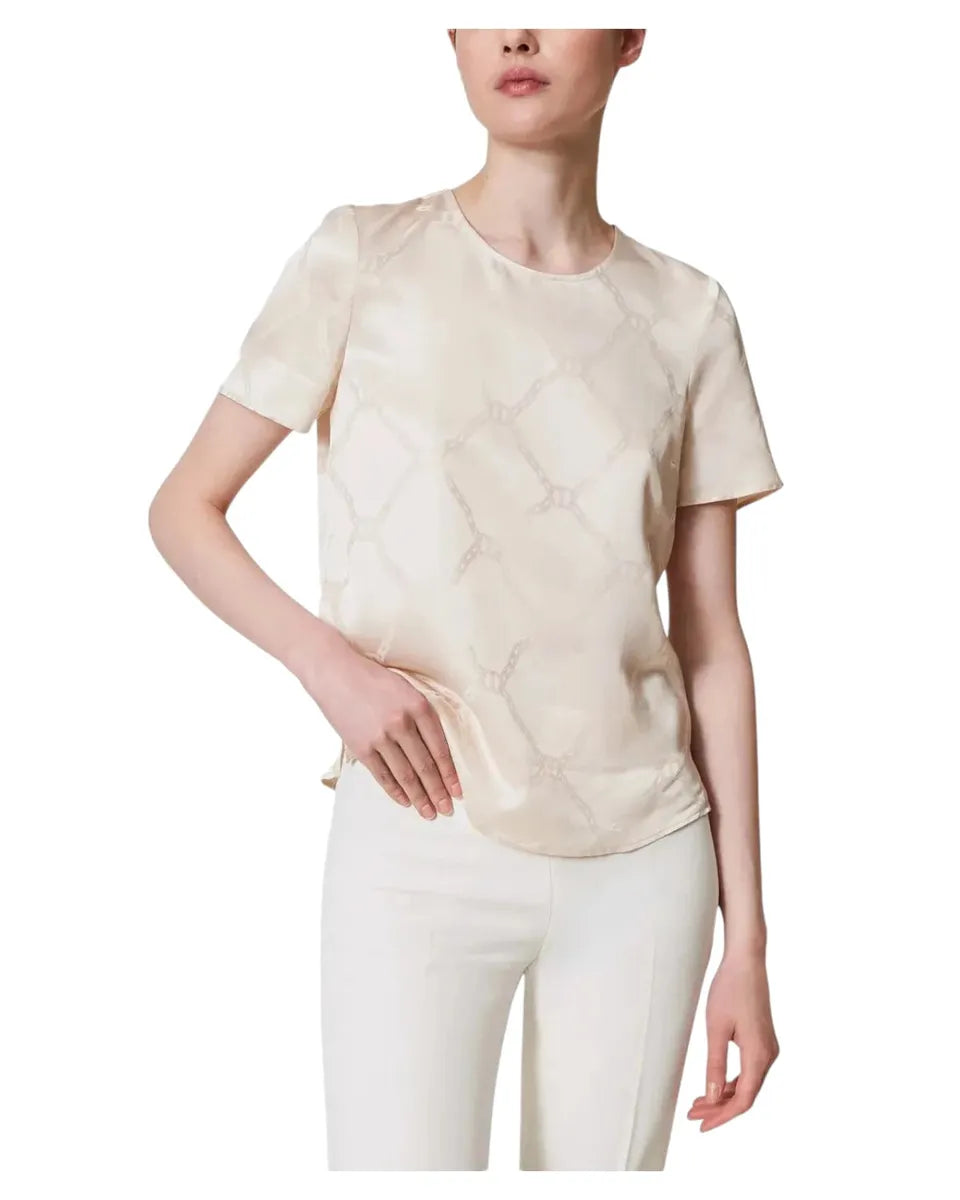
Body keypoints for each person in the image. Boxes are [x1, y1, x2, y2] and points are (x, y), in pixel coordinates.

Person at [148, 28, 782, 1172]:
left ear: (631, 34)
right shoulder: (364, 258)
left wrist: (750, 945)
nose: (517, 33)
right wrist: (330, 667)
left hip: (646, 858)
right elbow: (185, 508)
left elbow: (711, 645)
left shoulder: (690, 314)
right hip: (420, 826)